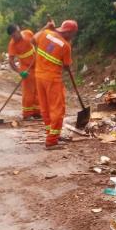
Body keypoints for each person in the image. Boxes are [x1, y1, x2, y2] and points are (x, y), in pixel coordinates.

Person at [33, 20, 78, 150]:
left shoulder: (45, 33)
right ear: (69, 32)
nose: (73, 36)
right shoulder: (65, 46)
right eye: (74, 34)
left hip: (39, 76)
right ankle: (52, 141)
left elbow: (32, 41)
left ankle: (51, 134)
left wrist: (45, 27)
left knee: (45, 108)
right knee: (58, 109)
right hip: (52, 79)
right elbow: (66, 65)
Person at [7, 24, 40, 120]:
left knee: (38, 90)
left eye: (15, 34)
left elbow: (36, 41)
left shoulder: (28, 33)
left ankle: (37, 112)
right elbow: (11, 61)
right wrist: (20, 72)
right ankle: (27, 114)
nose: (15, 37)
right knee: (28, 92)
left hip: (36, 64)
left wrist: (37, 48)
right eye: (12, 36)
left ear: (19, 30)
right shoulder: (12, 44)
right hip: (26, 68)